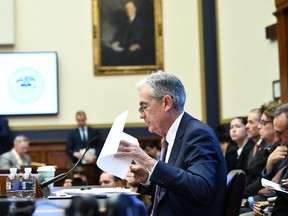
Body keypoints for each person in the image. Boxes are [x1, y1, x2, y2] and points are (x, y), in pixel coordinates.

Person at [114, 70, 227, 216]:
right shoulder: (173, 136)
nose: (141, 115)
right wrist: (147, 179)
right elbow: (175, 191)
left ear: (166, 103)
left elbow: (201, 190)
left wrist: (148, 162)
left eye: (144, 106)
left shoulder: (197, 134)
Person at [240, 102, 282, 214]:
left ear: (275, 124)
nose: (259, 126)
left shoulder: (279, 149)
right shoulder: (267, 149)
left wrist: (248, 198)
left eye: (263, 123)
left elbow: (276, 186)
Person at [261, 103, 288, 215]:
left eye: (279, 132)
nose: (276, 137)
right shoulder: (283, 148)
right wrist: (269, 164)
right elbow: (274, 181)